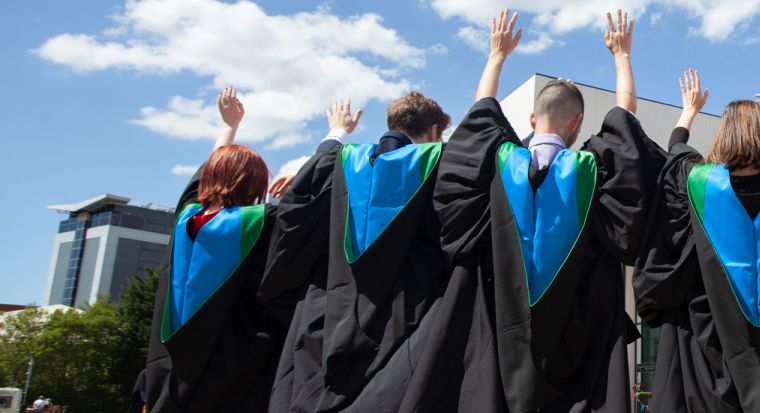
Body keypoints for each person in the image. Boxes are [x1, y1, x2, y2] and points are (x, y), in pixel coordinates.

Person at [389, 9, 664, 411]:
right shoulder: (592, 171)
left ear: (532, 118)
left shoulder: (496, 166)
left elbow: (482, 111)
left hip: (496, 346)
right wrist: (622, 56)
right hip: (579, 355)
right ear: (578, 123)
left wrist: (497, 55)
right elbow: (624, 121)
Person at [633, 63, 760, 412]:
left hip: (709, 358)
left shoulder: (697, 183)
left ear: (724, 135)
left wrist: (688, 113)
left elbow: (675, 154)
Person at [263, 87, 450, 412]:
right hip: (405, 326)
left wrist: (336, 133)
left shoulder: (338, 165)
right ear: (434, 131)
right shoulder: (439, 166)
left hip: (326, 321)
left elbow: (292, 226)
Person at [142, 87, 294, 413]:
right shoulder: (260, 222)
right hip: (237, 374)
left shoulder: (186, 219)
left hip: (169, 377)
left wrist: (229, 126)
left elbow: (202, 185)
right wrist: (298, 182)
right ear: (255, 185)